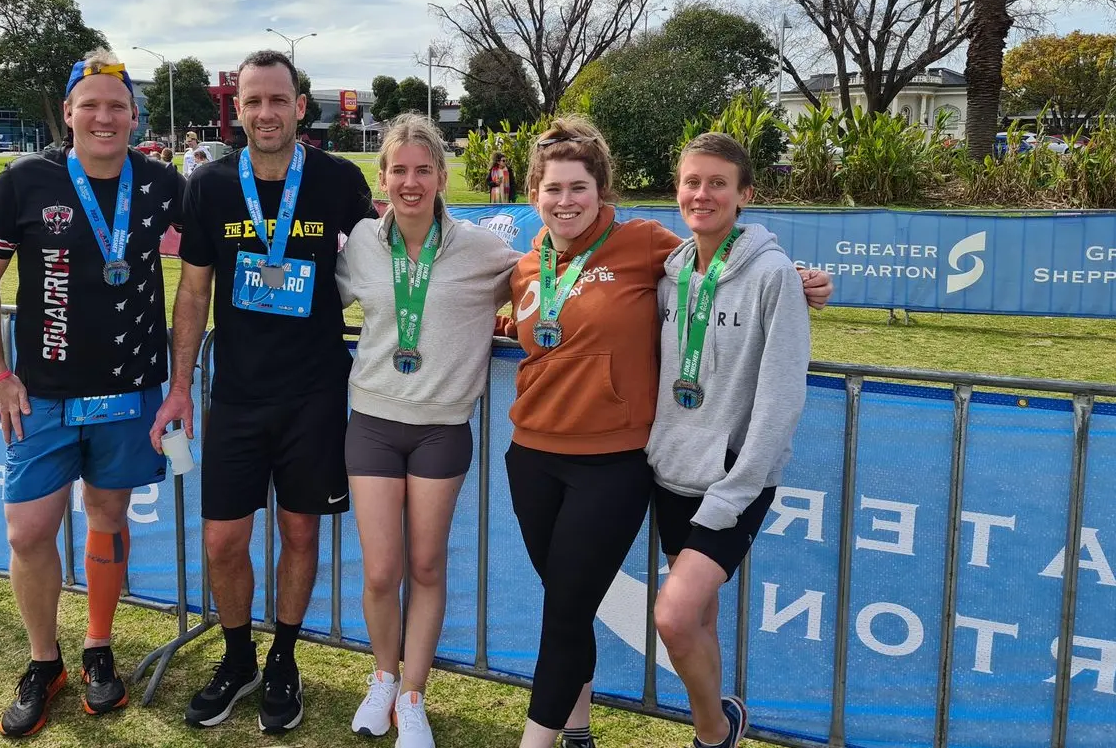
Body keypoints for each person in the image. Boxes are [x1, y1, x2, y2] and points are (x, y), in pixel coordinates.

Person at [498, 117, 831, 748]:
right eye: (553, 189)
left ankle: (703, 730)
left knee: (589, 609)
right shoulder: (527, 266)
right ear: (534, 194)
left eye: (579, 187)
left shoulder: (649, 245)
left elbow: (725, 257)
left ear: (602, 192)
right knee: (567, 601)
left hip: (624, 463)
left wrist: (798, 278)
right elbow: (529, 322)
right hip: (548, 458)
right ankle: (581, 729)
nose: (566, 200)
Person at [0, 48, 186, 739]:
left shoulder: (161, 183)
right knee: (27, 530)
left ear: (134, 116)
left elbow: (211, 254)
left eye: (117, 106)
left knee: (108, 518)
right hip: (45, 398)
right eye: (90, 105)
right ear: (68, 112)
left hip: (130, 394)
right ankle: (44, 660)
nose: (103, 117)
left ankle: (97, 647)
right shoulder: (26, 179)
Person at [153, 48, 375, 734]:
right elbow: (194, 292)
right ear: (239, 109)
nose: (266, 112)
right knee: (224, 540)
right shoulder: (211, 186)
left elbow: (389, 259)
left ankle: (283, 657)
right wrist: (181, 386)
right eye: (253, 101)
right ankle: (238, 656)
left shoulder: (338, 181)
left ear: (300, 107)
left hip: (314, 393)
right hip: (238, 395)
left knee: (299, 530)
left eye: (278, 100)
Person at [335, 114, 521, 747]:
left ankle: (413, 695)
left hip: (441, 428)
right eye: (398, 171)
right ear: (383, 179)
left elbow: (548, 279)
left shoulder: (484, 250)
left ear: (442, 176)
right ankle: (383, 677)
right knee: (380, 572)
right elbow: (314, 299)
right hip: (372, 422)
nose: (410, 182)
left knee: (426, 565)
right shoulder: (363, 243)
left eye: (422, 170)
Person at [649, 134, 808, 748]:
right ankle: (716, 733)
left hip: (734, 479)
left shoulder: (773, 275)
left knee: (673, 616)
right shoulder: (671, 275)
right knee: (699, 621)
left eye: (718, 183)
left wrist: (736, 490)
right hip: (672, 468)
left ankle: (715, 730)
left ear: (745, 194)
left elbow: (781, 398)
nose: (702, 194)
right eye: (692, 182)